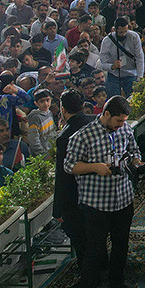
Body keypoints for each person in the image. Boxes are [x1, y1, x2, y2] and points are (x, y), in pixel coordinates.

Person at [64, 95, 143, 288]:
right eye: (118, 121)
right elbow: (69, 166)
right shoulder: (83, 136)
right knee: (94, 250)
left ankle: (116, 280)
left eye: (123, 121)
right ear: (106, 114)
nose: (121, 125)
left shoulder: (124, 128)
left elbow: (133, 150)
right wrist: (95, 167)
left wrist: (137, 162)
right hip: (96, 203)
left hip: (123, 198)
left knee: (121, 243)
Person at [55, 89, 95, 275]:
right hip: (98, 188)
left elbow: (63, 174)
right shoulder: (94, 122)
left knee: (80, 237)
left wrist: (58, 208)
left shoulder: (66, 135)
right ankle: (100, 265)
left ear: (63, 109)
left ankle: (87, 275)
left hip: (76, 193)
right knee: (95, 234)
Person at [98, 16, 145, 99]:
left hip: (131, 73)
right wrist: (112, 66)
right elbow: (103, 63)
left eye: (125, 31)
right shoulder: (107, 41)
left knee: (133, 99)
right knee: (114, 99)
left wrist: (140, 77)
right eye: (120, 32)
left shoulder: (134, 37)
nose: (123, 34)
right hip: (114, 74)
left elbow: (140, 58)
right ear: (115, 29)